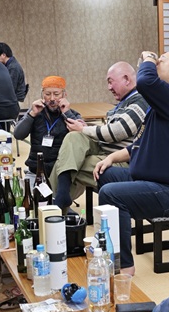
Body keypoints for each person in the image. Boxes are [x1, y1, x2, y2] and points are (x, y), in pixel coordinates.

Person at [95, 51, 169, 277]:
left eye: (163, 59)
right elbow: (139, 144)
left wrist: (148, 58)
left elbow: (144, 81)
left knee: (112, 194)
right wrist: (111, 158)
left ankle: (124, 265)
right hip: (153, 181)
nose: (157, 61)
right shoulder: (163, 103)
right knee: (105, 175)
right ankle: (113, 246)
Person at [49, 61, 147, 214]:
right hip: (103, 153)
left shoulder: (141, 100)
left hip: (120, 160)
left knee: (69, 162)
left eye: (111, 82)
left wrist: (85, 129)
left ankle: (54, 207)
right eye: (47, 94)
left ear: (127, 79)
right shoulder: (123, 103)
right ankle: (57, 204)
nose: (109, 87)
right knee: (73, 137)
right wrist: (82, 128)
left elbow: (118, 131)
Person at [13, 76, 82, 177]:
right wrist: (32, 114)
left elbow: (82, 138)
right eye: (48, 94)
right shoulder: (35, 112)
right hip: (35, 170)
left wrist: (67, 113)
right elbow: (18, 135)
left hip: (61, 172)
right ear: (42, 95)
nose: (52, 99)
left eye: (56, 94)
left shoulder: (72, 115)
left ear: (64, 94)